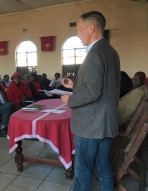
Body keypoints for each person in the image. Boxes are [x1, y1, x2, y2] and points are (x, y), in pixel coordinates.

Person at [61, 11, 120, 191]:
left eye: (79, 30)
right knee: (103, 168)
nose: (78, 34)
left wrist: (70, 100)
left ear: (91, 28)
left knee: (83, 172)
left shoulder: (95, 53)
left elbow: (93, 92)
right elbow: (104, 86)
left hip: (90, 125)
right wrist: (75, 85)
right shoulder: (110, 51)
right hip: (105, 123)